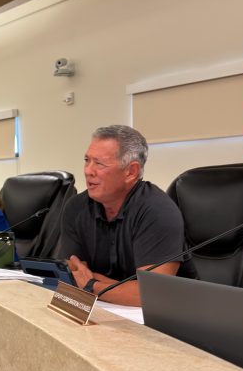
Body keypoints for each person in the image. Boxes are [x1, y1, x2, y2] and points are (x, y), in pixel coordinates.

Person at [58, 125, 196, 306]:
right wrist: (123, 289)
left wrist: (92, 284)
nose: (88, 171)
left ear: (131, 172)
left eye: (99, 163)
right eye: (87, 160)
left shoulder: (157, 211)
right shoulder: (76, 207)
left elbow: (151, 294)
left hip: (174, 317)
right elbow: (72, 275)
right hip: (106, 309)